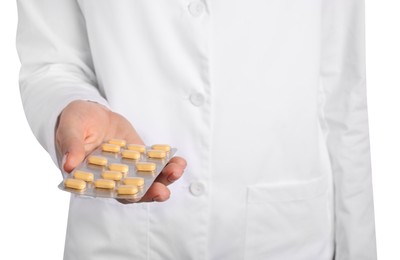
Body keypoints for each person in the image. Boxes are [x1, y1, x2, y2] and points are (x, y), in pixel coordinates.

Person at [16, 0, 377, 259]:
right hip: (119, 236)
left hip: (285, 236)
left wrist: (359, 249)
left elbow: (342, 90)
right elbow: (52, 61)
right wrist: (72, 107)